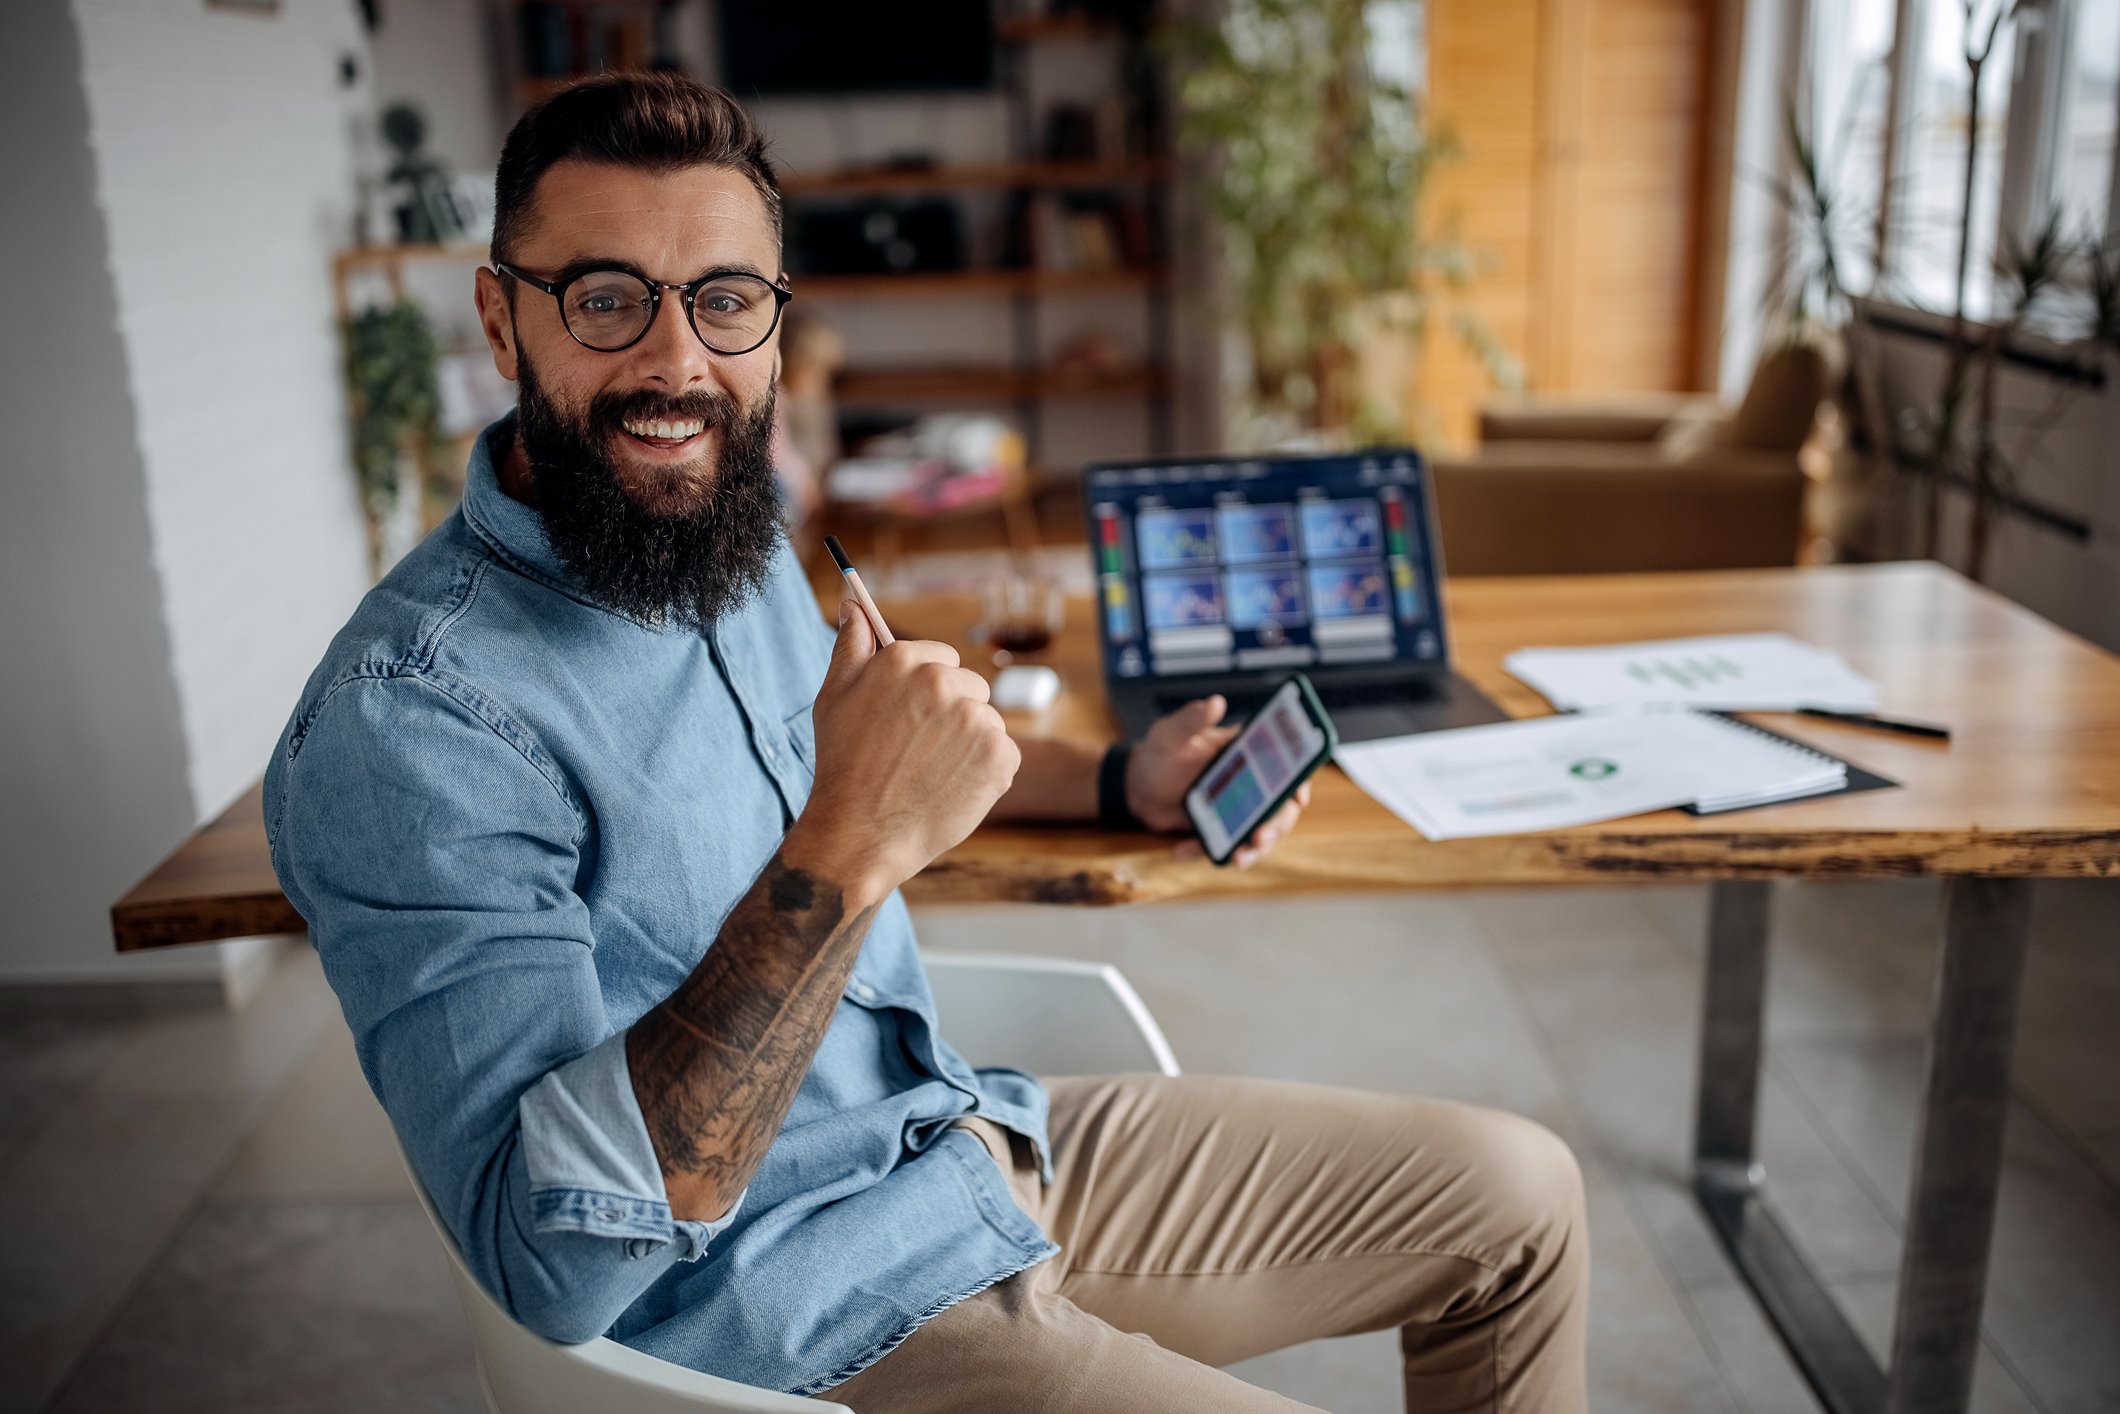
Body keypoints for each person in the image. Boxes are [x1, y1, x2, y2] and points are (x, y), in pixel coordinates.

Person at [265, 73, 1588, 1413]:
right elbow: (549, 1259)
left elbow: (872, 749)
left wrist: (1118, 780)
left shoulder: (708, 528)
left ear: (777, 322)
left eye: (724, 300)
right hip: (786, 1307)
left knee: (1523, 1197)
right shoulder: (413, 724)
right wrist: (849, 842)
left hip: (955, 1138)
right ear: (501, 318)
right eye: (605, 298)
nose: (675, 363)